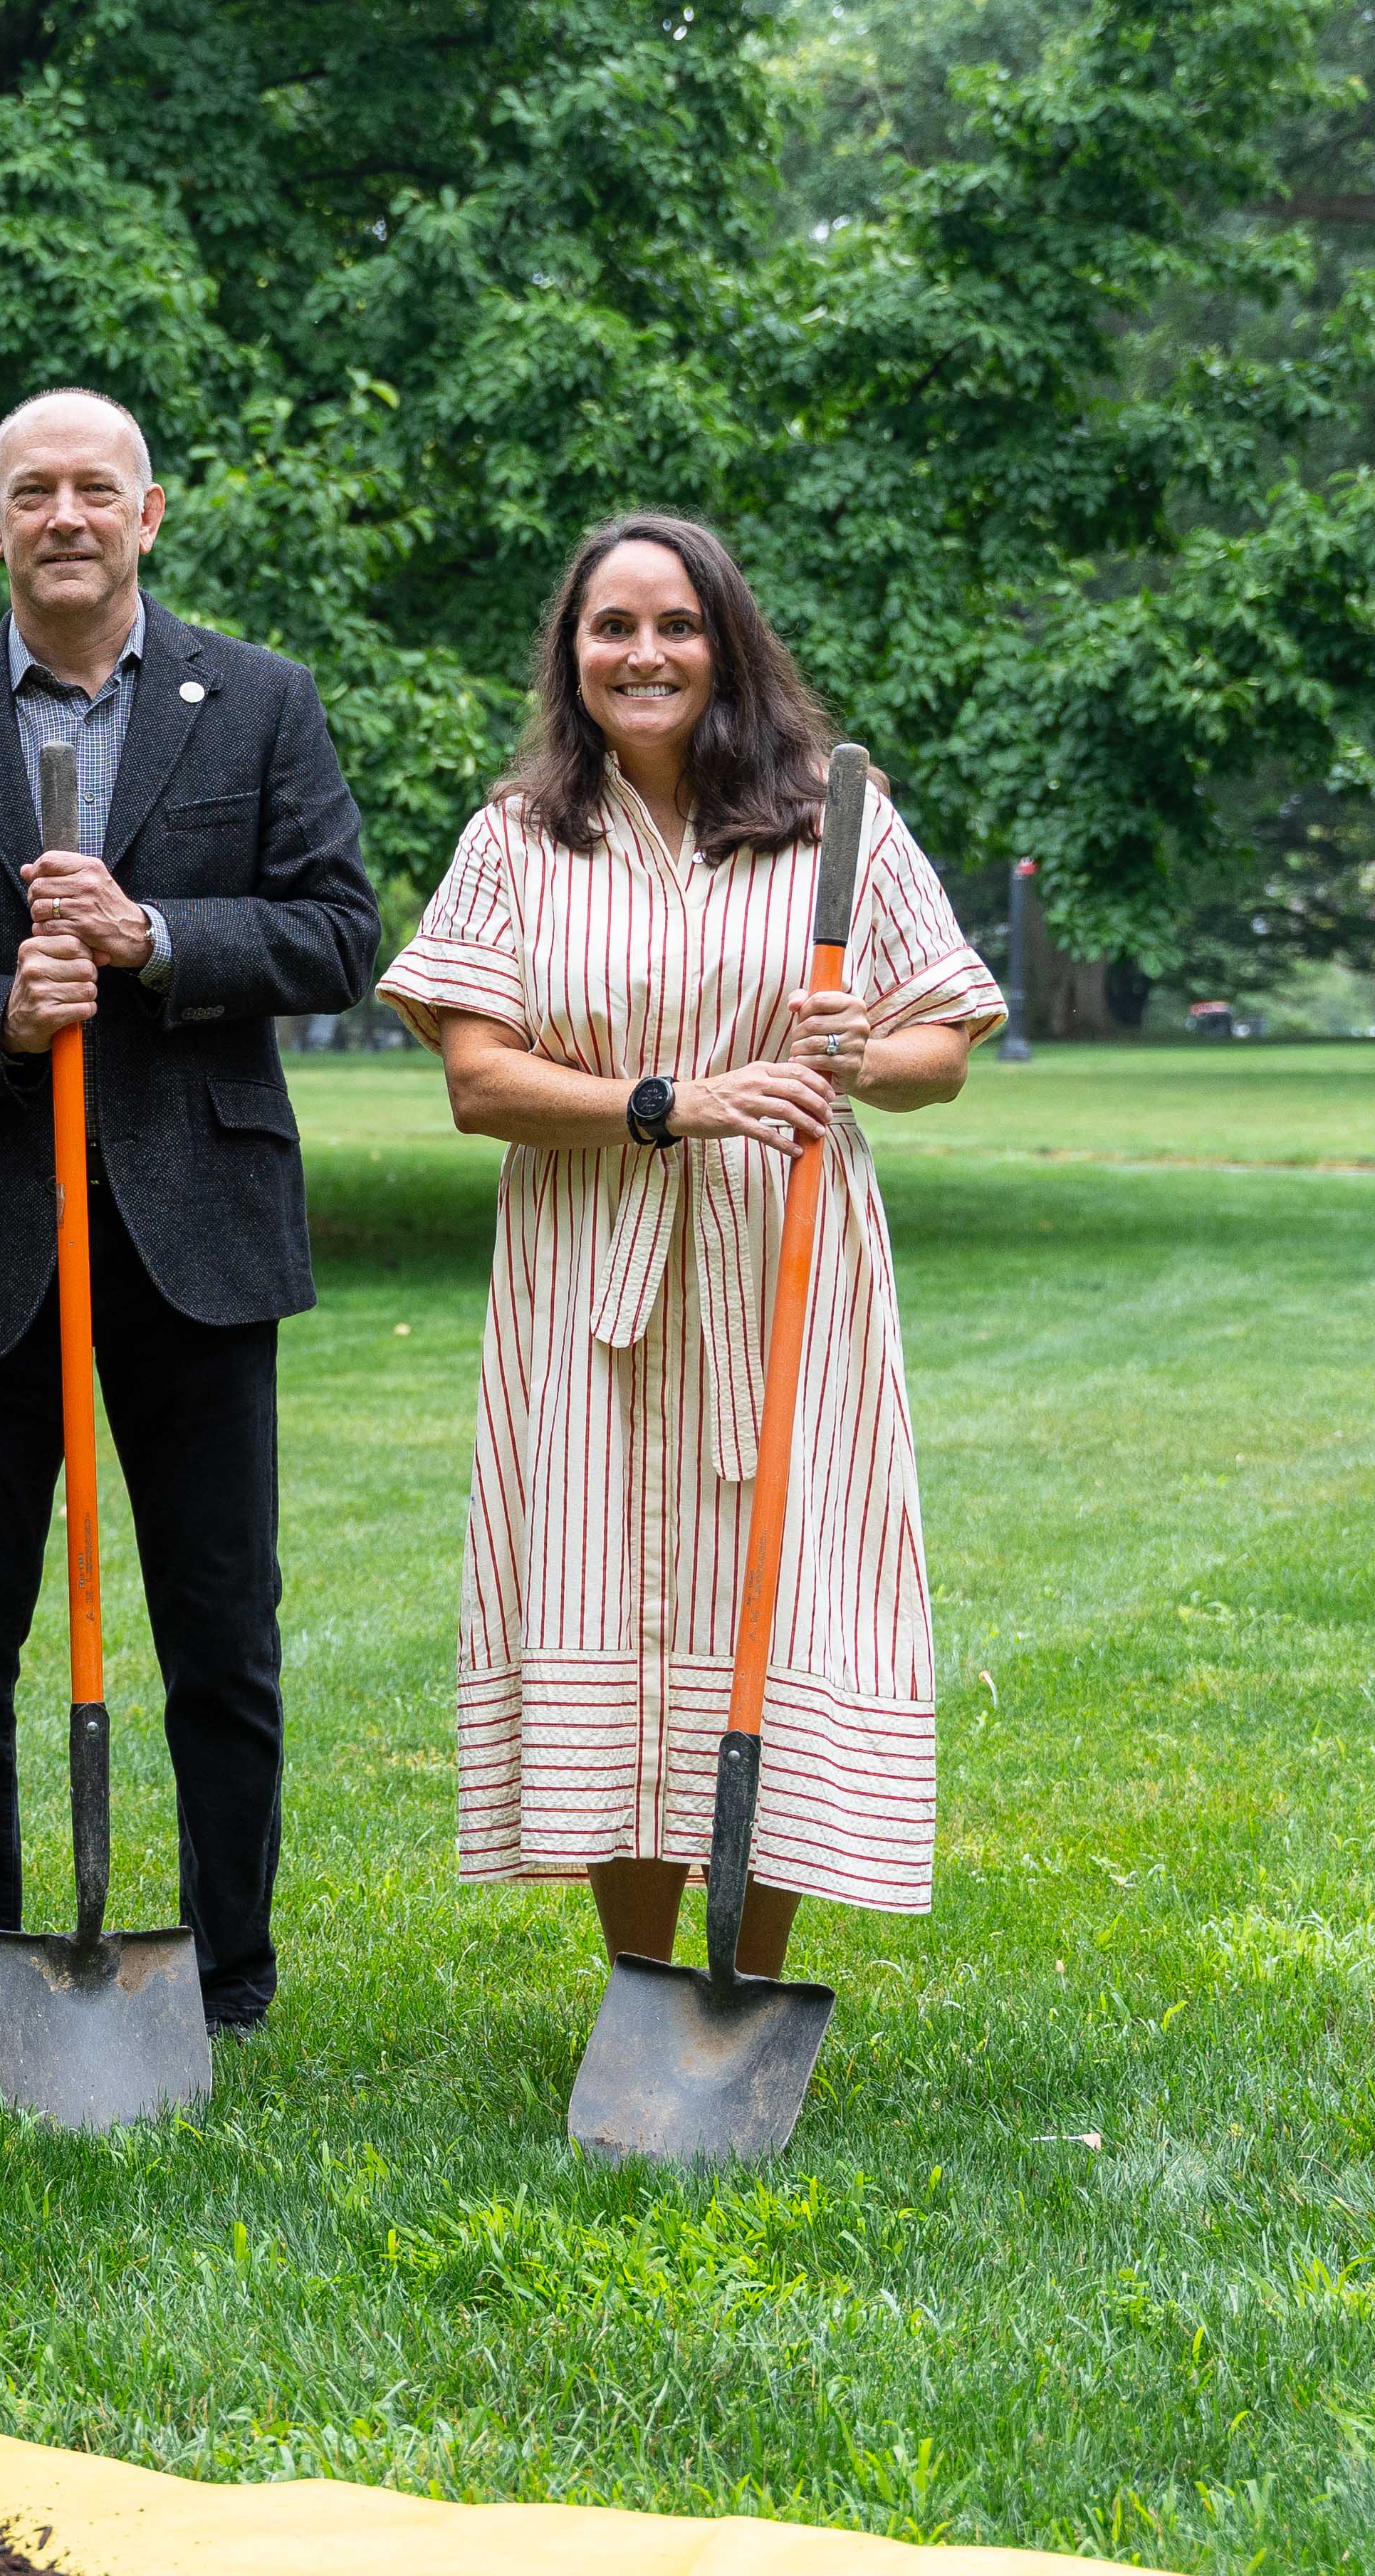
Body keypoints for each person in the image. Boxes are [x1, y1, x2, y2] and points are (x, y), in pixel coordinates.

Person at [375, 510, 1000, 1979]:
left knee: (763, 1608)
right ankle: (644, 1984)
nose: (642, 652)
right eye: (611, 627)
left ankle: (742, 1977)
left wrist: (861, 1051)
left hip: (785, 1267)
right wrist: (668, 1101)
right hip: (588, 1270)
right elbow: (478, 1083)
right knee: (601, 1597)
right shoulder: (518, 838)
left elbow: (944, 1047)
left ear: (725, 641)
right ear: (571, 655)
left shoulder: (834, 818)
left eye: (673, 623)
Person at [0, 388, 379, 2035]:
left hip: (194, 1227)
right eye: (31, 491)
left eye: (96, 489)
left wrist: (152, 936)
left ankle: (228, 1965)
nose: (64, 515)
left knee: (221, 1627)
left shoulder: (260, 702)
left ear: (147, 514)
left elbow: (340, 932)